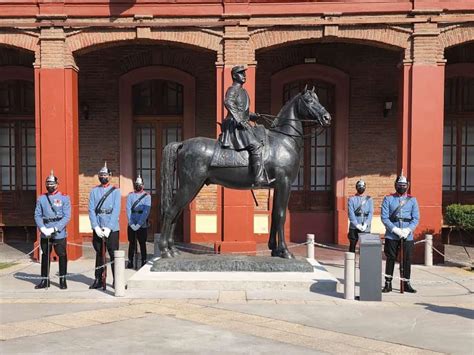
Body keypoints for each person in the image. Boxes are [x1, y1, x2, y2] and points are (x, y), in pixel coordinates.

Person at [218, 65, 271, 186]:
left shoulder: (243, 91)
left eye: (244, 73)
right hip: (234, 125)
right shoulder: (233, 89)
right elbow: (228, 102)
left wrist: (253, 116)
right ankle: (258, 178)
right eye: (241, 73)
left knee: (261, 139)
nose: (244, 75)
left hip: (242, 123)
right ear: (235, 76)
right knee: (256, 145)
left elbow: (243, 111)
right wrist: (239, 119)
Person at [381, 171, 419, 293]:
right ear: (395, 185)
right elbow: (384, 217)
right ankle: (388, 283)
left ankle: (406, 283)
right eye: (399, 185)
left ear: (407, 185)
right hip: (392, 234)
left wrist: (408, 230)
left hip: (407, 235)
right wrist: (395, 229)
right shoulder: (388, 199)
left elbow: (416, 218)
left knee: (407, 259)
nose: (401, 187)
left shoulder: (412, 200)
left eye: (404, 185)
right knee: (390, 258)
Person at [33, 170, 71, 289]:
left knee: (62, 254)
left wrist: (56, 228)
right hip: (46, 230)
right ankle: (44, 280)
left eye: (52, 184)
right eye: (48, 184)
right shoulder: (41, 198)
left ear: (57, 184)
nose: (50, 186)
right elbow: (37, 215)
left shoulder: (64, 198)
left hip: (59, 231)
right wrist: (42, 228)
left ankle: (63, 279)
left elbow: (67, 216)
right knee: (45, 256)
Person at [88, 162, 121, 289]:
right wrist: (95, 226)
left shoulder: (115, 191)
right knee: (99, 254)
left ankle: (116, 279)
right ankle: (98, 279)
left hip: (111, 228)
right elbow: (91, 210)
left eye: (105, 175)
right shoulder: (94, 191)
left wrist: (109, 227)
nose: (103, 177)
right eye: (101, 175)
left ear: (110, 176)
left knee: (113, 254)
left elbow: (116, 210)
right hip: (98, 224)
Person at [126, 175, 151, 269]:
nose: (138, 186)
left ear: (143, 185)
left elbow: (146, 211)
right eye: (137, 184)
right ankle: (130, 261)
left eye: (140, 184)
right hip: (132, 221)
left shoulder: (147, 196)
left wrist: (140, 223)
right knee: (131, 243)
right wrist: (131, 223)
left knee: (142, 243)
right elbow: (128, 209)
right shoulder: (130, 195)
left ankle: (144, 260)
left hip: (142, 222)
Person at [347, 179, 373, 253]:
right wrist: (356, 224)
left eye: (362, 186)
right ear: (356, 187)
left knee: (365, 247)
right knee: (352, 245)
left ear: (365, 187)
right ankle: (351, 264)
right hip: (354, 225)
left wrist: (366, 223)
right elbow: (351, 213)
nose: (361, 188)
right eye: (359, 186)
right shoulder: (352, 199)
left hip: (365, 225)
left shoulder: (369, 199)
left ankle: (363, 264)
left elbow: (371, 213)